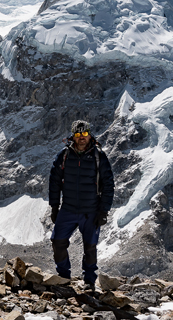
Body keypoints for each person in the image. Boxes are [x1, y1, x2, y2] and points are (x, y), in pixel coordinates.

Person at [48, 120, 114, 289]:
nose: (81, 138)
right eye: (78, 135)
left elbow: (108, 184)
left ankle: (89, 281)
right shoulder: (64, 155)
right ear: (73, 136)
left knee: (90, 248)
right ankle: (63, 276)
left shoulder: (99, 156)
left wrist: (103, 211)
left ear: (90, 134)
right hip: (68, 208)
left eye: (84, 134)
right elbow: (54, 181)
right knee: (57, 242)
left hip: (91, 211)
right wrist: (54, 207)